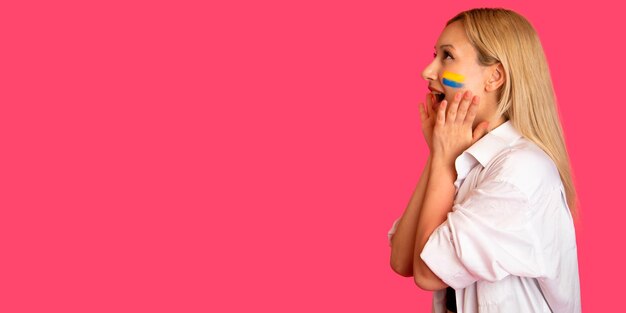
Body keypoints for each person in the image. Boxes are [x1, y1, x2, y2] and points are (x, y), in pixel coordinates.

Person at [387, 8, 581, 313]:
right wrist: (441, 154)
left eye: (447, 56)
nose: (428, 71)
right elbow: (401, 260)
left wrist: (443, 159)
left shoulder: (519, 172)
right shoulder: (469, 160)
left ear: (495, 77)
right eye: (435, 55)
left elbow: (427, 273)